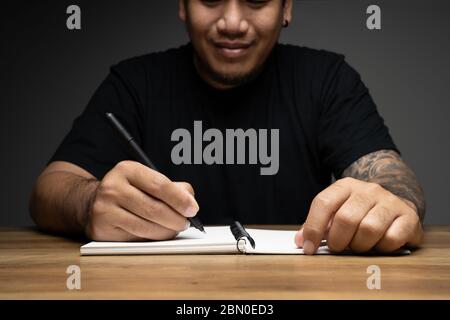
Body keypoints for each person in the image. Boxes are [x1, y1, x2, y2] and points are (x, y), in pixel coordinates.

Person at [29, 0, 425, 255]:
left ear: (286, 8)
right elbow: (51, 186)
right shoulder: (136, 83)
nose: (232, 23)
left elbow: (391, 177)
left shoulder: (327, 79)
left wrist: (389, 203)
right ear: (183, 6)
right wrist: (90, 203)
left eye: (256, 0)